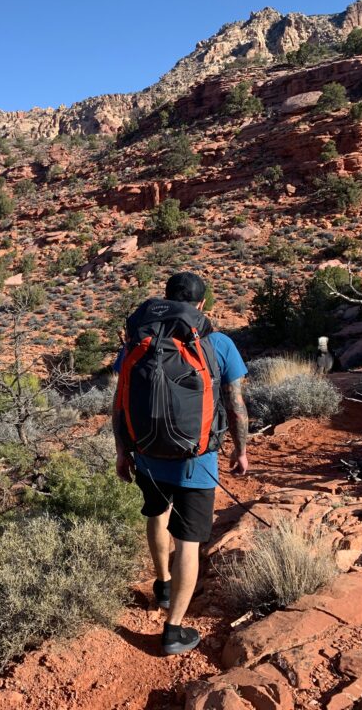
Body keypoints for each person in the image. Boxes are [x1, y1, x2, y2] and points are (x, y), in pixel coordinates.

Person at [113, 271, 249, 655]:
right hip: (198, 460)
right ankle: (173, 630)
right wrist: (241, 450)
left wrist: (123, 451)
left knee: (156, 513)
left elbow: (120, 402)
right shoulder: (218, 343)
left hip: (147, 454)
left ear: (167, 299)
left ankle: (162, 584)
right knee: (188, 540)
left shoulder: (138, 342)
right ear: (202, 304)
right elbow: (236, 407)